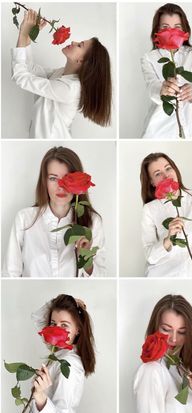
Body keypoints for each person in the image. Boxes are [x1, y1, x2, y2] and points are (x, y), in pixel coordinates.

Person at [2, 146, 106, 277]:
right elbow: (10, 275)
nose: (61, 186)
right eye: (53, 178)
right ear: (44, 181)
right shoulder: (24, 219)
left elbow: (100, 277)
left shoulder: (93, 222)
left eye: (68, 178)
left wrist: (86, 260)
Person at [11, 9, 112, 139]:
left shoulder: (69, 89)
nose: (73, 42)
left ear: (81, 61)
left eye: (80, 45)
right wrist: (28, 37)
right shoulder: (62, 74)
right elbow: (30, 71)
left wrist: (23, 35)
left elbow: (20, 77)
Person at [134, 294, 192, 413]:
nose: (174, 339)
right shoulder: (152, 371)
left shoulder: (185, 369)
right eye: (166, 329)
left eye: (182, 332)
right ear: (155, 328)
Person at [140, 152, 192, 277]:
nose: (166, 175)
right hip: (160, 276)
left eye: (168, 168)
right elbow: (150, 257)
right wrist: (168, 239)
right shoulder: (150, 209)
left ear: (175, 170)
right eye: (157, 174)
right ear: (152, 182)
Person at [141, 3, 192, 139]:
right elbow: (151, 86)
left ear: (184, 30)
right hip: (159, 130)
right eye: (165, 27)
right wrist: (162, 90)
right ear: (157, 31)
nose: (171, 32)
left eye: (177, 27)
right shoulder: (149, 58)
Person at [28, 294, 95, 413]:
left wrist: (41, 398)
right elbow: (36, 317)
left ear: (78, 330)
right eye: (53, 324)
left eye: (64, 325)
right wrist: (62, 301)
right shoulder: (60, 355)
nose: (56, 330)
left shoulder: (69, 365)